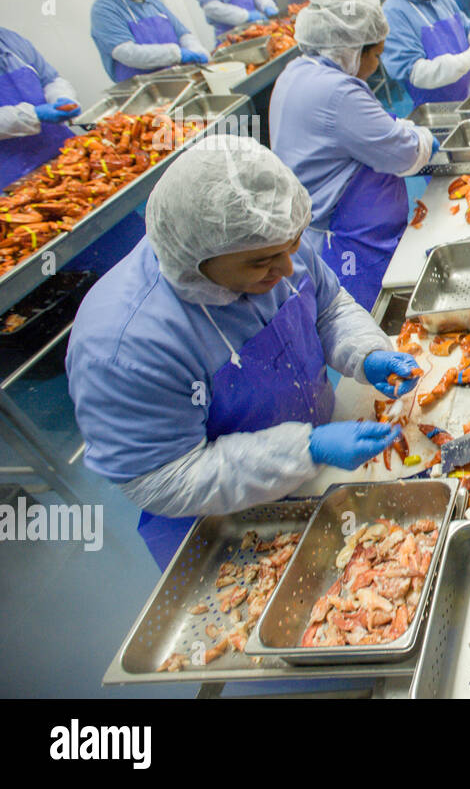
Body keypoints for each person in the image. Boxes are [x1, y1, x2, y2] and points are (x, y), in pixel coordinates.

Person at [65, 136, 420, 568]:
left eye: (293, 247)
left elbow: (327, 305)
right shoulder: (124, 346)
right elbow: (163, 477)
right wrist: (306, 449)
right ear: (200, 258)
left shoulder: (271, 239)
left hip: (319, 471)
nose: (288, 268)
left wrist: (363, 352)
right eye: (262, 263)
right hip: (224, 526)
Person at [271, 0, 437, 310]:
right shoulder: (339, 93)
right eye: (375, 54)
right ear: (350, 48)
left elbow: (358, 133)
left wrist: (399, 128)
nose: (377, 64)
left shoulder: (297, 72)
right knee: (376, 323)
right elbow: (403, 155)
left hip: (323, 231)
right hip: (352, 245)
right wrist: (423, 140)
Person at [90, 0, 209, 82]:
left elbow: (183, 33)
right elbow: (127, 53)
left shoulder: (151, 2)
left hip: (175, 78)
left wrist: (196, 50)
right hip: (141, 86)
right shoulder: (105, 9)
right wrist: (177, 54)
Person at [0, 28, 80, 189]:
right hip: (12, 178)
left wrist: (62, 98)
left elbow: (50, 79)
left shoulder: (9, 40)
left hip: (65, 154)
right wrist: (34, 115)